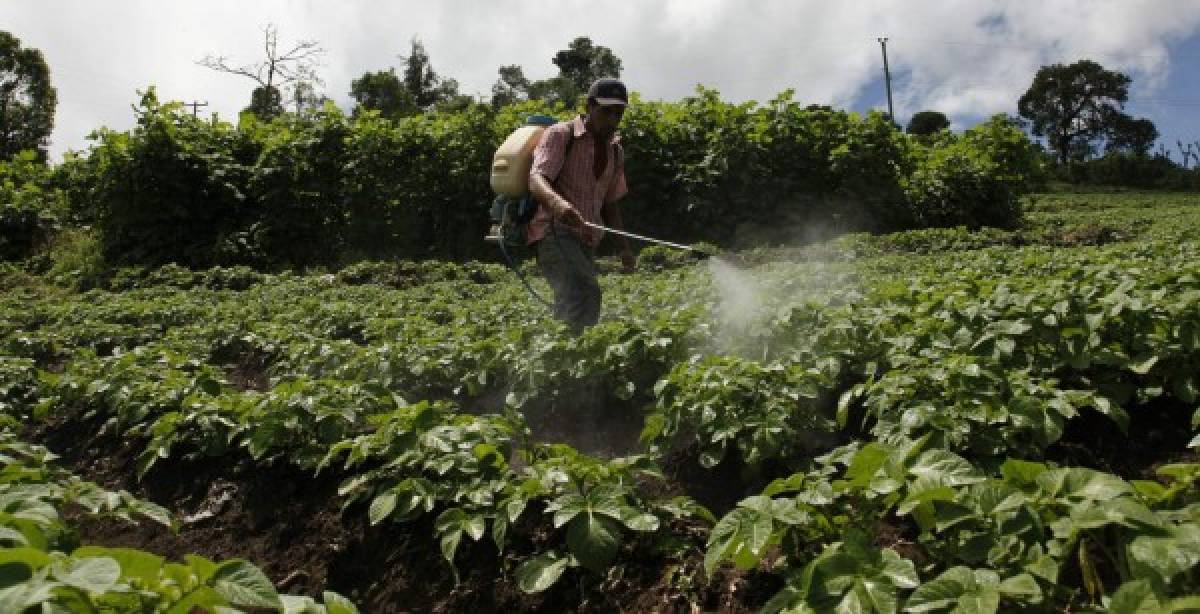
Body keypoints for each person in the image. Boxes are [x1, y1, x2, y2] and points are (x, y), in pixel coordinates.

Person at [527, 78, 635, 332]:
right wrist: (559, 206)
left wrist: (624, 249)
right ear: (589, 106)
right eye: (605, 111)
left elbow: (611, 202)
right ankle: (566, 358)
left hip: (587, 238)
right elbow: (536, 178)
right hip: (554, 232)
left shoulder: (615, 152)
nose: (611, 119)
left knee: (576, 301)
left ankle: (565, 355)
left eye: (618, 113)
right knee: (583, 292)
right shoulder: (562, 135)